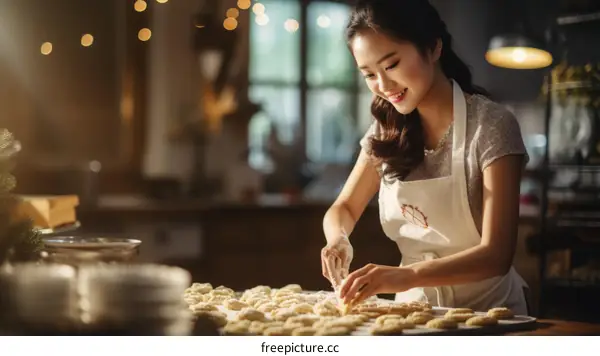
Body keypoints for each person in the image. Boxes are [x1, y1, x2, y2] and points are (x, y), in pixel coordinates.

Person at [320, 0, 531, 316]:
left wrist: (404, 276)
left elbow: (497, 254)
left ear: (433, 48)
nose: (383, 86)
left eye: (391, 65)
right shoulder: (386, 130)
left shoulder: (491, 126)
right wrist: (337, 240)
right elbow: (345, 207)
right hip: (413, 312)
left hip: (490, 314)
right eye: (369, 74)